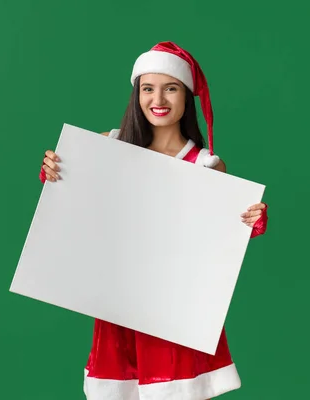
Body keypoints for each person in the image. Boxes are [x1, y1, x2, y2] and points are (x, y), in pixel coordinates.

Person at [37, 42, 268, 400]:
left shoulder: (206, 165)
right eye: (148, 88)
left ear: (186, 96)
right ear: (137, 95)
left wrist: (247, 219)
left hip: (174, 313)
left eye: (170, 87)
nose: (158, 98)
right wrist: (58, 174)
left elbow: (216, 241)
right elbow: (81, 212)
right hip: (120, 307)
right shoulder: (107, 146)